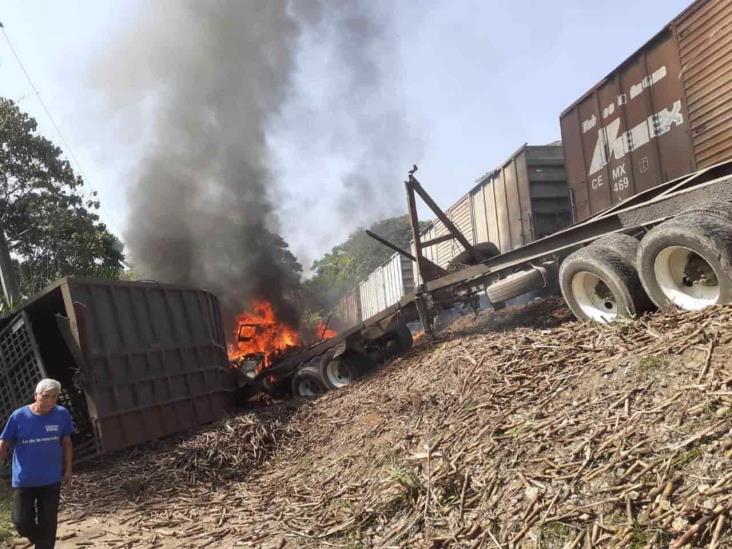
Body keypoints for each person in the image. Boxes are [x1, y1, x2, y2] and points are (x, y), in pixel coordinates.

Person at [0, 379, 74, 549]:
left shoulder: (61, 414)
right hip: (24, 480)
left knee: (48, 521)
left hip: (51, 479)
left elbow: (67, 441)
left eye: (54, 397)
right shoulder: (19, 416)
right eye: (45, 396)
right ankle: (39, 538)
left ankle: (44, 543)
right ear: (36, 396)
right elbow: (3, 443)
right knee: (21, 522)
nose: (50, 401)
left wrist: (68, 468)